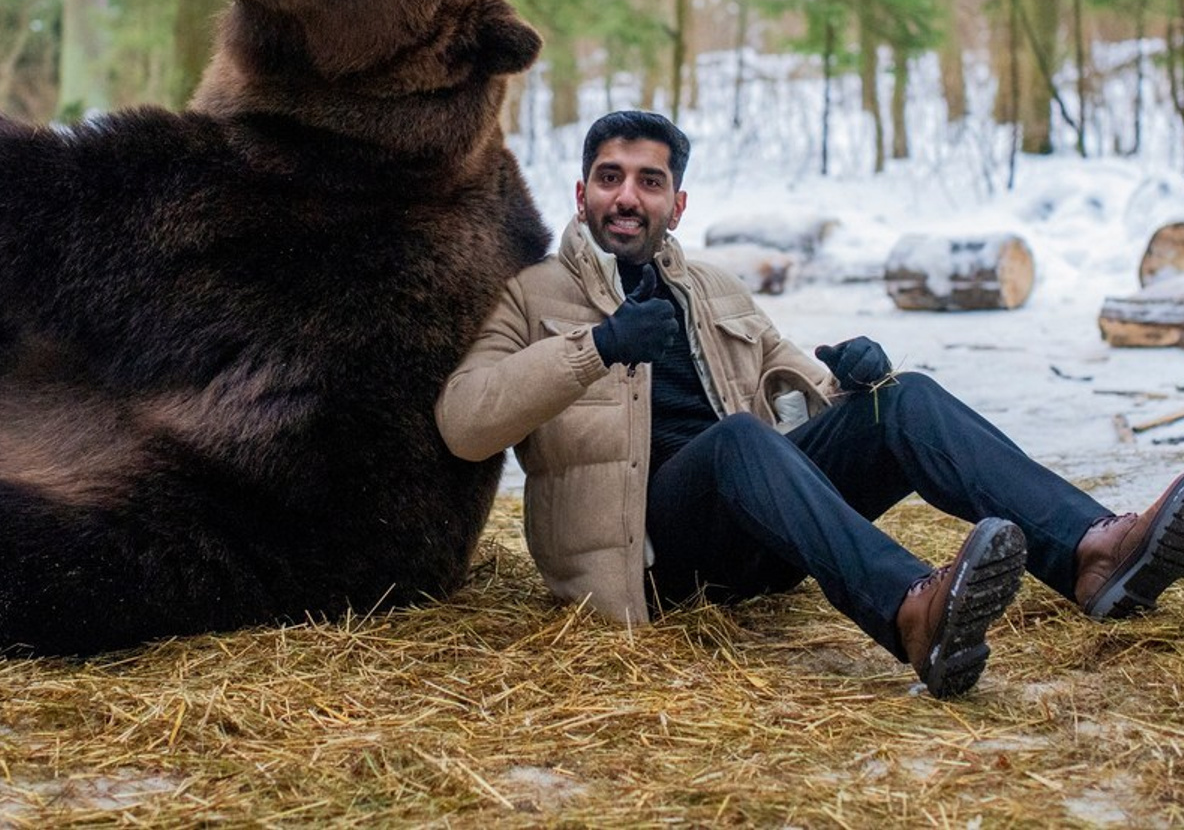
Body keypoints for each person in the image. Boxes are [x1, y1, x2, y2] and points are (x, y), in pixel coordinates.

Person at [436, 110, 1184, 699]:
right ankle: (911, 611)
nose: (627, 196)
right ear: (582, 194)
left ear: (678, 203)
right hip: (651, 562)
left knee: (905, 399)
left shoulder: (716, 288)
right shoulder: (531, 296)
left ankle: (1091, 553)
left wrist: (851, 382)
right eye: (609, 177)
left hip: (762, 527)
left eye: (649, 181)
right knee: (736, 440)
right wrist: (595, 346)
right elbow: (465, 423)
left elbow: (801, 383)